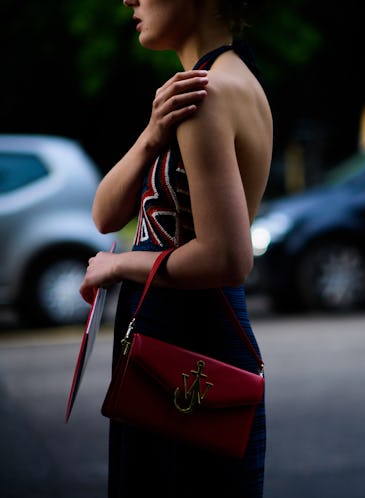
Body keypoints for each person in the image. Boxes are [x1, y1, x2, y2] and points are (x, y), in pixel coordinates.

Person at [78, 0, 272, 496]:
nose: (128, 1)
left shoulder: (206, 94)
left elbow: (227, 257)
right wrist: (150, 136)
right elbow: (104, 214)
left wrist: (118, 266)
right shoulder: (216, 84)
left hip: (188, 357)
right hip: (188, 345)